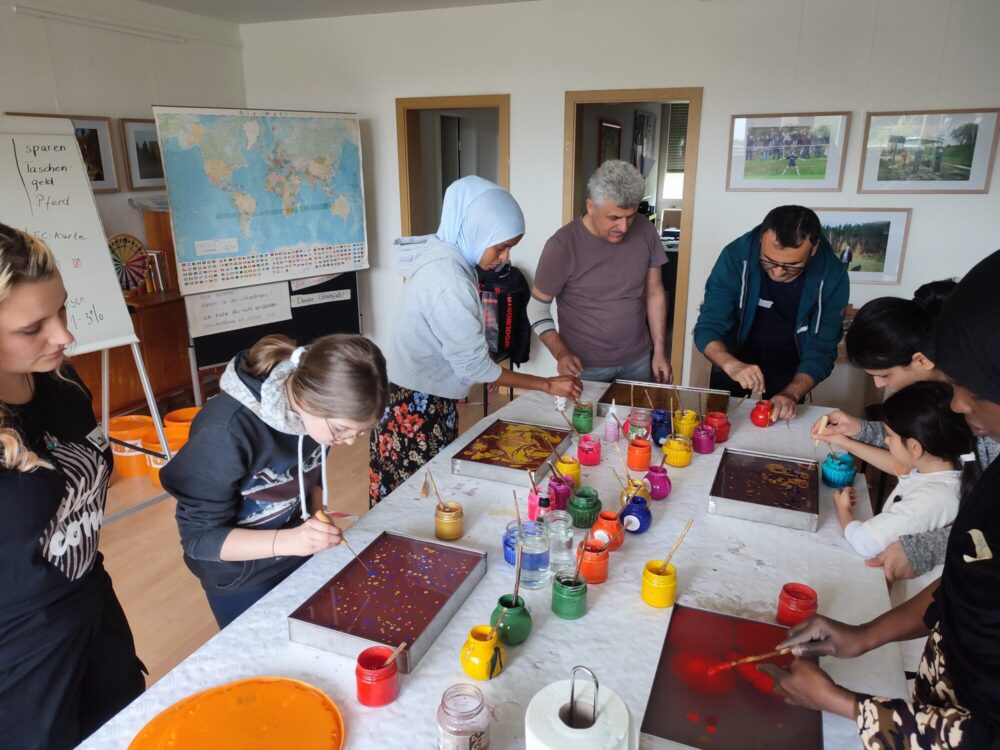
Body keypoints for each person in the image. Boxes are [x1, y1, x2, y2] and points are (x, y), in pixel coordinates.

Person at [761, 249, 1000, 748]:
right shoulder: (983, 443)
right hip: (937, 681)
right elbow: (967, 573)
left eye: (965, 390)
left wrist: (844, 704)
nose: (957, 404)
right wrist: (864, 634)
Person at [0, 224, 144, 748]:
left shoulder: (62, 382)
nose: (63, 336)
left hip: (92, 609)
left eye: (62, 310)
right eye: (32, 327)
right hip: (22, 658)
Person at [370, 176, 581, 506]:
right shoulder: (448, 277)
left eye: (509, 247)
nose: (504, 257)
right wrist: (547, 385)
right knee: (415, 500)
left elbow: (462, 347)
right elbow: (472, 364)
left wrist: (485, 371)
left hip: (417, 394)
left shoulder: (447, 258)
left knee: (425, 494)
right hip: (414, 405)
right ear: (475, 229)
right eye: (500, 246)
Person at [161, 333, 388, 628]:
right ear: (308, 400)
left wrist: (317, 516)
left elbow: (309, 475)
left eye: (360, 432)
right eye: (343, 430)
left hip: (295, 553)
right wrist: (293, 539)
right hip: (241, 576)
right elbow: (199, 539)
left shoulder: (318, 418)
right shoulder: (225, 431)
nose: (347, 441)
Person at [813, 282, 999, 582]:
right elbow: (913, 447)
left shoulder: (985, 409)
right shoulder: (936, 397)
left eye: (885, 375)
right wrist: (857, 430)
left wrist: (927, 547)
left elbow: (990, 527)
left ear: (922, 359)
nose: (879, 385)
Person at [693, 205, 849, 420]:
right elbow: (709, 325)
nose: (777, 271)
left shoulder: (832, 274)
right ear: (760, 241)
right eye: (769, 260)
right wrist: (731, 364)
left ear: (813, 249)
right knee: (720, 422)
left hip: (790, 361)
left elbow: (822, 348)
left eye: (792, 265)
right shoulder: (736, 256)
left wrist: (792, 393)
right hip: (734, 354)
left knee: (779, 424)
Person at [528, 160, 671, 384]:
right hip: (585, 367)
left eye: (631, 216)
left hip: (638, 360)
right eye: (614, 218)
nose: (624, 227)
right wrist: (561, 353)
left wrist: (660, 351)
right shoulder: (562, 246)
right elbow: (536, 308)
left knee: (634, 420)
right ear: (591, 207)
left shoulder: (646, 231)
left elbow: (654, 293)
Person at [828, 381, 977, 559]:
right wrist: (845, 443)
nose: (887, 441)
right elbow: (901, 468)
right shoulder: (943, 467)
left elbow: (863, 542)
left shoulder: (931, 499)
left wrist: (843, 509)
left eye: (890, 436)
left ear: (915, 447)